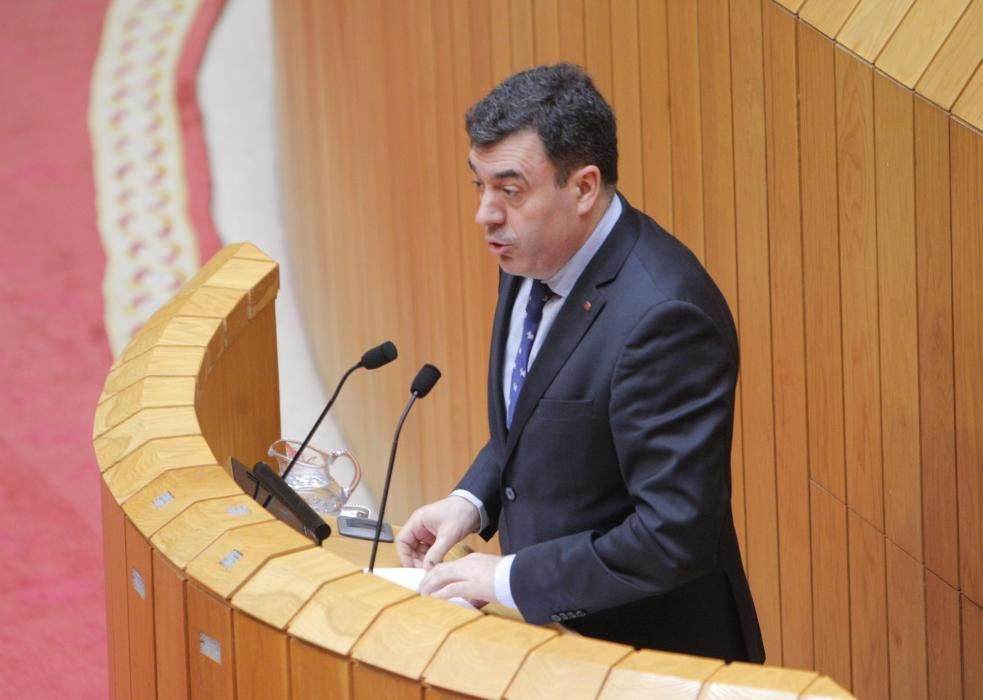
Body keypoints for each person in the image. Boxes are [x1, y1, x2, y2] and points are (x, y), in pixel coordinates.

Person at [395, 63, 764, 662]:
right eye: (479, 186)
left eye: (509, 190)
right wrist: (472, 500)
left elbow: (673, 536)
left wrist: (508, 581)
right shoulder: (530, 254)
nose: (485, 214)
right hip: (545, 647)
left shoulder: (665, 318)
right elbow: (543, 410)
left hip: (645, 658)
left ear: (584, 187)